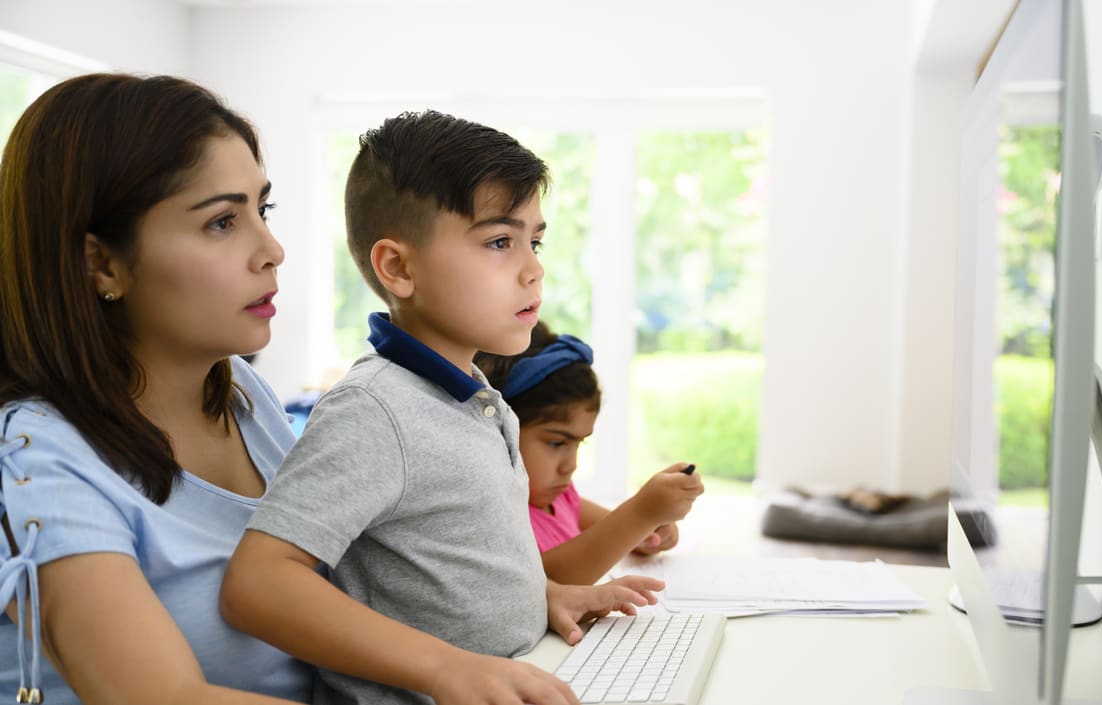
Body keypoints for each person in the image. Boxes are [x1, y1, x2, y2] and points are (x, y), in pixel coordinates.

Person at [219, 110, 662, 705]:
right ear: (398, 268)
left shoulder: (479, 397)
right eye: (500, 242)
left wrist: (542, 597)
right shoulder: (372, 411)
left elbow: (450, 572)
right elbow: (259, 586)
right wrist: (445, 669)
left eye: (535, 240)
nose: (534, 268)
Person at [0, 73, 312, 704]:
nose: (272, 249)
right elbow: (162, 697)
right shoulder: (31, 459)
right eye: (223, 222)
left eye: (263, 208)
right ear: (102, 265)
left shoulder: (243, 396)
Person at [476, 323, 705, 585]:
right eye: (556, 443)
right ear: (500, 431)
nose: (570, 466)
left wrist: (649, 531)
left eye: (580, 444)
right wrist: (643, 514)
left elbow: (614, 530)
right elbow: (540, 584)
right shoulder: (499, 514)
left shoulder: (563, 498)